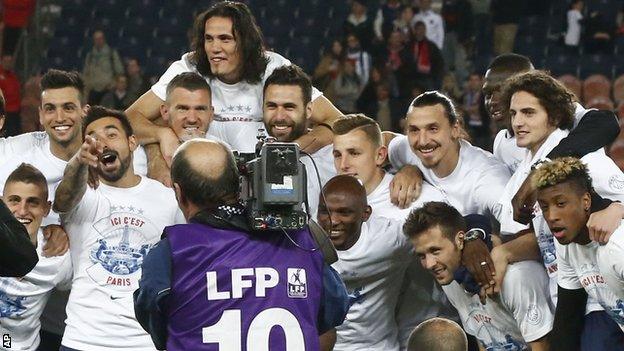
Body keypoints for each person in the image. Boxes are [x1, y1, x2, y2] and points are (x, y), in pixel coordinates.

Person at [134, 139, 349, 350]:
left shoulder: (171, 252)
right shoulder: (301, 240)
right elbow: (335, 309)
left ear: (179, 192)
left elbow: (158, 327)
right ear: (239, 184)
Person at [126, 1, 342, 183]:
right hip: (202, 177)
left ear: (245, 42)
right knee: (135, 151)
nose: (214, 48)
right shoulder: (188, 67)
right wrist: (160, 136)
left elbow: (336, 121)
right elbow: (131, 118)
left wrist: (294, 149)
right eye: (209, 39)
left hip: (265, 177)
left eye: (225, 39)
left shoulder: (273, 68)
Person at [497, 72, 624, 350]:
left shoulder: (584, 162)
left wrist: (618, 208)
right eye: (514, 113)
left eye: (529, 113)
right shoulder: (519, 167)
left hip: (602, 299)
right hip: (567, 291)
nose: (518, 122)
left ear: (553, 116)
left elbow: (604, 120)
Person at [53, 106, 184, 351]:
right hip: (83, 340)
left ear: (132, 142)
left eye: (111, 134)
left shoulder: (166, 198)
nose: (101, 142)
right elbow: (63, 199)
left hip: (145, 342)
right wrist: (79, 162)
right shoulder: (82, 193)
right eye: (92, 137)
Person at [331, 114, 451, 349]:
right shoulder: (329, 201)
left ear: (380, 155)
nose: (343, 164)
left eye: (354, 153)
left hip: (425, 327)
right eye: (337, 154)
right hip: (376, 335)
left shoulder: (420, 200)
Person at [405, 202, 554, 351]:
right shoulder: (450, 281)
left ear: (460, 240)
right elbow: (484, 338)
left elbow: (543, 346)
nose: (429, 264)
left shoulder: (515, 278)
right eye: (422, 256)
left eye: (435, 250)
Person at [533, 158, 624, 350]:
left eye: (560, 203)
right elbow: (568, 316)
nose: (551, 216)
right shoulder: (566, 245)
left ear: (586, 201)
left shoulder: (617, 246)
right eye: (545, 207)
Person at [483, 53, 620, 175]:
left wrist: (548, 163)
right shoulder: (501, 142)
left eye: (501, 90)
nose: (492, 101)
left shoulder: (555, 113)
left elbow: (606, 123)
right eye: (487, 94)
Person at [318, 175, 412, 350]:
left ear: (365, 214)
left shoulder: (388, 239)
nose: (333, 221)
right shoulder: (303, 243)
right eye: (325, 211)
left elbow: (439, 226)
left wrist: (473, 235)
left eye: (344, 212)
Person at [0, 164, 72, 350]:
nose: (22, 211)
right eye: (14, 201)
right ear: (2, 203)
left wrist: (61, 230)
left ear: (47, 208)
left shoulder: (58, 256)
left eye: (32, 202)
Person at [262, 65, 335, 219]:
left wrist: (401, 170)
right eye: (272, 106)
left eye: (289, 107)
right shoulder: (251, 157)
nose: (279, 116)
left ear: (309, 110)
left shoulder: (335, 158)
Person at [160, 72, 215, 143]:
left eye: (200, 109)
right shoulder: (147, 153)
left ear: (211, 114)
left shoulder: (224, 151)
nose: (192, 119)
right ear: (165, 112)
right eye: (183, 109)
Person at [82, 30, 124, 105]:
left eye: (100, 38)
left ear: (104, 39)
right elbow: (86, 72)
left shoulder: (111, 53)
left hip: (108, 90)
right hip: (93, 91)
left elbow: (119, 71)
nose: (98, 41)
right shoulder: (90, 55)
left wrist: (113, 84)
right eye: (96, 39)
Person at [0, 54, 22, 136]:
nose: (8, 64)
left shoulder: (13, 76)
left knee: (14, 134)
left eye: (10, 62)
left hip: (15, 111)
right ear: (1, 62)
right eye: (6, 61)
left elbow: (17, 93)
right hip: (4, 111)